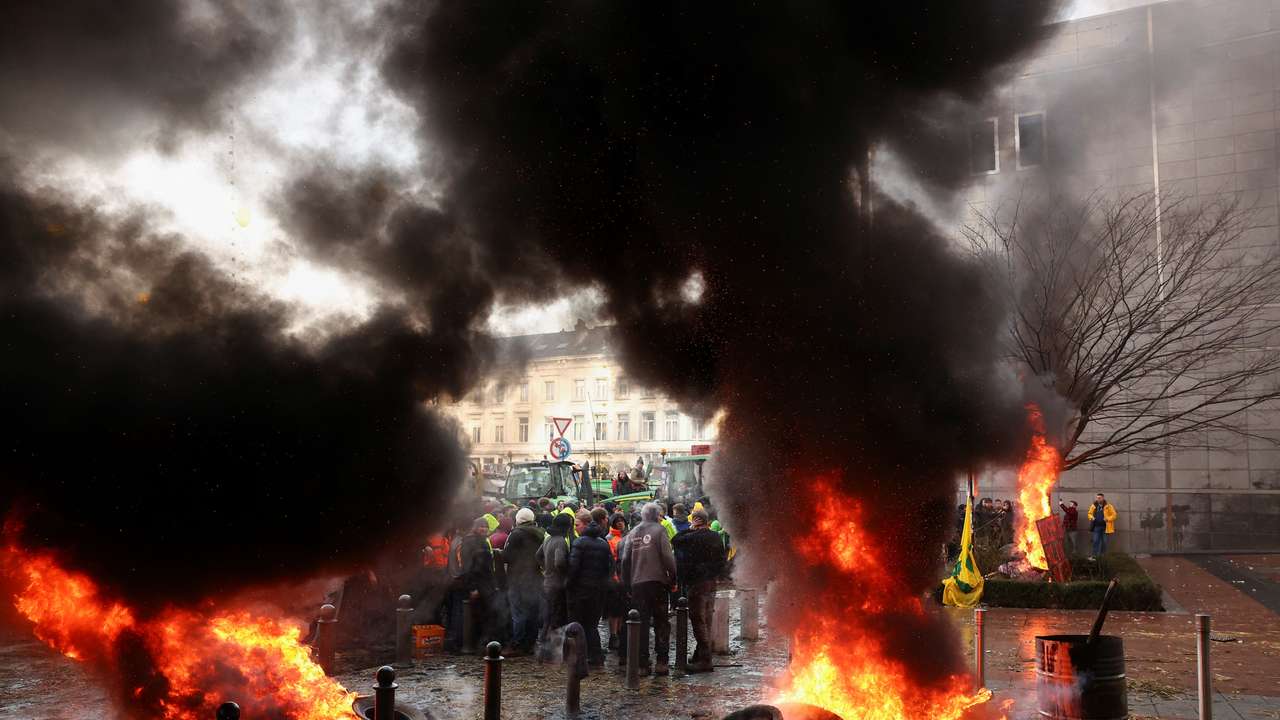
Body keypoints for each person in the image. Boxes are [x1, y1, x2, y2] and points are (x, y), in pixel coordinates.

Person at [621, 502, 677, 676]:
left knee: (641, 624)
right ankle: (662, 662)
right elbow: (668, 557)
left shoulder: (633, 532)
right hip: (658, 583)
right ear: (657, 515)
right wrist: (673, 578)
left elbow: (624, 560)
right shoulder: (660, 531)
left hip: (638, 584)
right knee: (661, 623)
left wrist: (627, 583)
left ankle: (642, 664)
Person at [671, 508, 725, 672]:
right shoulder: (715, 536)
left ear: (697, 520)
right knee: (706, 618)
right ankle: (700, 653)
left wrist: (690, 528)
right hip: (711, 582)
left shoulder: (692, 537)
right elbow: (722, 560)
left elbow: (675, 540)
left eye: (693, 519)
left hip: (696, 583)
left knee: (697, 620)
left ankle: (705, 659)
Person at [566, 509, 613, 666]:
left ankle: (579, 655)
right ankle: (596, 655)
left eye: (577, 525)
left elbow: (573, 568)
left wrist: (569, 585)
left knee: (577, 623)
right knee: (592, 625)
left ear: (585, 524)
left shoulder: (579, 542)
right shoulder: (603, 542)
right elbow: (609, 567)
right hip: (598, 590)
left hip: (581, 590)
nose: (576, 528)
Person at [502, 508, 546, 655]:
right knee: (533, 611)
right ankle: (530, 643)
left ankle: (517, 644)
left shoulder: (516, 534)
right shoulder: (541, 532)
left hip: (518, 578)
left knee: (518, 613)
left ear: (518, 520)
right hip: (535, 577)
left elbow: (506, 556)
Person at [456, 517, 499, 650]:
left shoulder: (483, 541)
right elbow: (468, 567)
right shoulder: (469, 542)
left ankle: (485, 643)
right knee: (480, 615)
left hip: (487, 583)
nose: (484, 529)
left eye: (486, 526)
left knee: (488, 614)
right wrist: (472, 587)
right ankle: (478, 644)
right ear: (475, 527)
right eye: (481, 526)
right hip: (478, 584)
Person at [537, 512, 573, 660]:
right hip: (557, 585)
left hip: (547, 582)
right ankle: (550, 652)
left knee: (548, 616)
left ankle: (543, 650)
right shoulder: (560, 541)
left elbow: (538, 555)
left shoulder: (548, 539)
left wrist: (546, 568)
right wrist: (565, 573)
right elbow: (559, 562)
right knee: (555, 618)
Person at [1088, 493, 1116, 558]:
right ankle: (1094, 556)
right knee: (1095, 541)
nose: (1098, 499)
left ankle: (1102, 556)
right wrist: (1092, 517)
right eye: (1097, 498)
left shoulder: (1109, 506)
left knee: (1105, 542)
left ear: (1103, 498)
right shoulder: (1093, 506)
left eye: (1099, 498)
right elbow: (1089, 513)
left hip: (1105, 527)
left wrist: (1107, 519)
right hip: (1096, 527)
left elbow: (1114, 515)